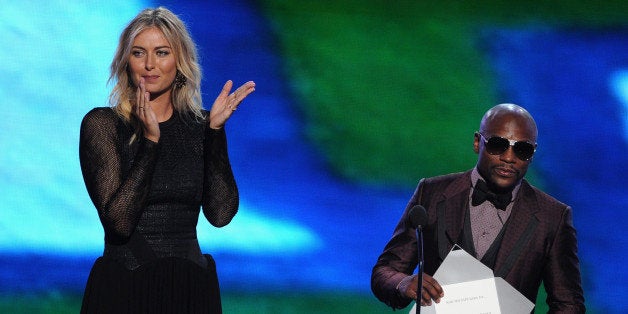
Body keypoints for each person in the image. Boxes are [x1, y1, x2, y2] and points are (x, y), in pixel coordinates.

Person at [78, 7, 255, 313]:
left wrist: (214, 133)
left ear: (180, 62)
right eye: (138, 53)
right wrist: (150, 141)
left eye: (161, 53)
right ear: (125, 62)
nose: (150, 64)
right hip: (126, 288)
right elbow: (119, 223)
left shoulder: (201, 125)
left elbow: (221, 214)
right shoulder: (103, 124)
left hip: (190, 288)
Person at [371, 104, 585, 313]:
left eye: (522, 149)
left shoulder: (553, 218)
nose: (509, 158)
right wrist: (403, 283)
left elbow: (569, 305)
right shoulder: (431, 193)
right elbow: (385, 271)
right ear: (477, 142)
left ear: (533, 153)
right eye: (497, 144)